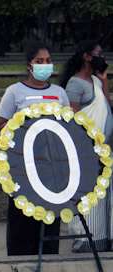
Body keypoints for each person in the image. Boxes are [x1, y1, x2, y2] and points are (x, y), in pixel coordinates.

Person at [0, 42, 70, 256]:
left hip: (52, 165)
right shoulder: (14, 92)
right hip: (23, 164)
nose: (45, 65)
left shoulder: (59, 93)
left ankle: (48, 254)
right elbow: (1, 125)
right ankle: (20, 256)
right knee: (23, 213)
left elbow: (68, 125)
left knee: (50, 212)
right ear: (29, 65)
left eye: (48, 61)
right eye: (40, 61)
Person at [60, 41, 112, 252]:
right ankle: (85, 238)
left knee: (104, 195)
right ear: (87, 57)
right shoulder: (75, 84)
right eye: (99, 54)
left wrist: (105, 83)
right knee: (88, 194)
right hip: (87, 150)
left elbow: (107, 107)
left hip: (105, 149)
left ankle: (103, 236)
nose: (103, 57)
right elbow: (74, 119)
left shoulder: (96, 81)